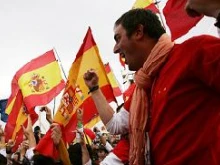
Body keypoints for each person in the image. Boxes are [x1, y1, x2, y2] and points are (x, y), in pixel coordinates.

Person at [83, 8, 220, 165]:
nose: (115, 49)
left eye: (118, 38)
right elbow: (116, 125)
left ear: (138, 32)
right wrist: (94, 89)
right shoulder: (143, 87)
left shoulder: (194, 50)